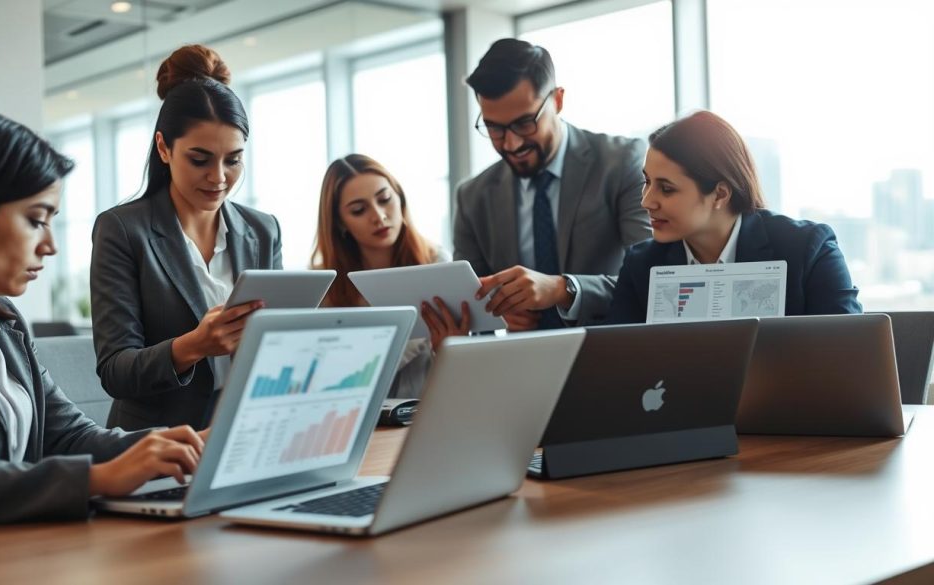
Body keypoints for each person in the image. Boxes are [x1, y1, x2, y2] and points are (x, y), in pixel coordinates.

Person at [0, 107, 208, 529]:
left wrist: (185, 444)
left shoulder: (3, 324)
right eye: (35, 220)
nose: (49, 245)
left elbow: (69, 437)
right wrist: (98, 478)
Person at [90, 45, 281, 431]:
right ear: (164, 148)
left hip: (249, 430)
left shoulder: (263, 230)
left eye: (233, 159)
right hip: (158, 442)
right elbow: (116, 371)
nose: (219, 177)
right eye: (200, 159)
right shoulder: (123, 230)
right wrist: (194, 345)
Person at [454, 38, 651, 330]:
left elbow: (652, 280)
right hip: (523, 365)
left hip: (609, 357)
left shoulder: (621, 163)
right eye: (494, 127)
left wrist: (564, 290)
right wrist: (496, 312)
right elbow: (470, 299)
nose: (512, 143)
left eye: (524, 123)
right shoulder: (472, 197)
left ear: (557, 100)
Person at [606, 110, 862, 324]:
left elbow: (850, 355)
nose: (646, 201)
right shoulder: (642, 265)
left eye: (666, 188)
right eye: (646, 182)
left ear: (719, 194)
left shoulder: (807, 249)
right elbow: (621, 365)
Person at [312, 154, 468, 399]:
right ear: (340, 223)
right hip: (357, 414)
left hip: (430, 406)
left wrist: (450, 347)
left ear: (400, 199)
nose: (379, 216)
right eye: (359, 210)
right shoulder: (324, 283)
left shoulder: (436, 263)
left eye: (385, 200)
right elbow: (329, 374)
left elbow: (459, 365)